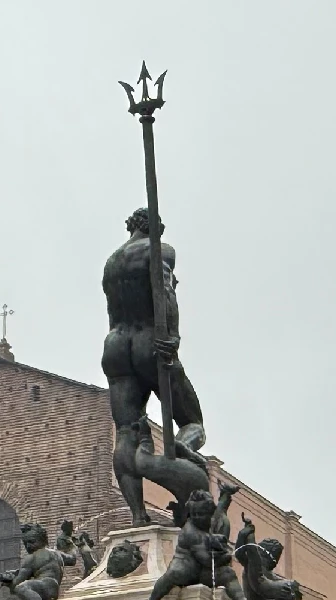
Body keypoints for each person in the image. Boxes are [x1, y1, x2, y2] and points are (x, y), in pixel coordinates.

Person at [101, 207, 206, 526]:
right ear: (156, 229)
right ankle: (181, 445)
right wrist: (171, 337)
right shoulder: (160, 250)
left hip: (116, 344)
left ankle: (137, 516)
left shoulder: (111, 263)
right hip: (151, 339)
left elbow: (112, 309)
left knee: (126, 432)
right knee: (193, 422)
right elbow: (165, 292)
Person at [150, 490, 246, 600]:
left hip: (201, 573)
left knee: (228, 574)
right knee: (170, 576)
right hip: (185, 573)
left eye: (200, 514)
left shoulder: (209, 523)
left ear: (209, 513)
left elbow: (220, 512)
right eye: (193, 514)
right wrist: (228, 556)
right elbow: (207, 561)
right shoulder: (190, 532)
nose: (196, 517)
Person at [0, 524, 76, 600]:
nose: (28, 546)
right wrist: (72, 545)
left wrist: (8, 582)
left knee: (22, 588)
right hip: (54, 589)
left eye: (32, 542)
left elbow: (17, 583)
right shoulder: (57, 553)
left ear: (42, 540)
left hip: (42, 588)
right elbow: (73, 560)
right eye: (25, 544)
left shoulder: (32, 558)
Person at [234, 515, 303, 600]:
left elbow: (259, 582)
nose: (259, 546)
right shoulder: (251, 565)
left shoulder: (284, 585)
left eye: (265, 543)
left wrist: (250, 537)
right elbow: (239, 554)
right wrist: (244, 535)